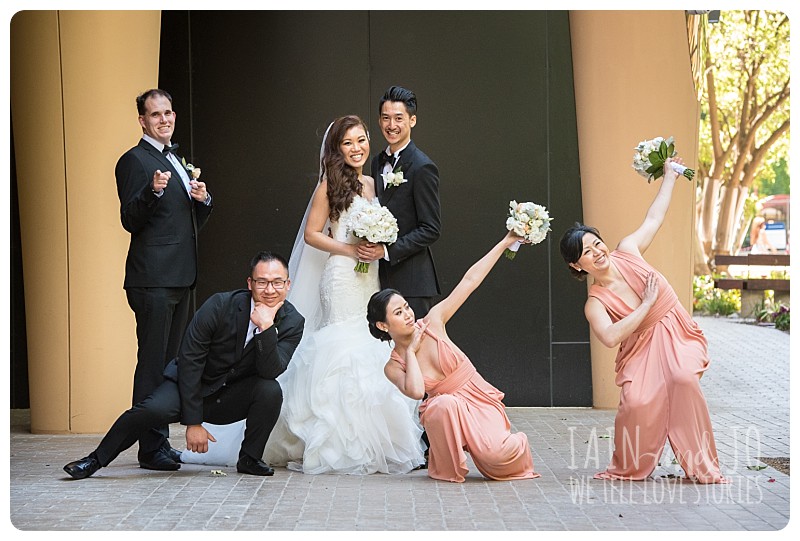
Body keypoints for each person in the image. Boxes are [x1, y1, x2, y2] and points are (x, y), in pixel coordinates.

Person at [259, 115, 426, 475]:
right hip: (341, 275)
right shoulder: (328, 185)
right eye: (348, 142)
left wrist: (378, 242)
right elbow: (312, 235)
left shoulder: (371, 183)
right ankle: (334, 440)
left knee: (371, 344)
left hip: (370, 276)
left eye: (362, 140)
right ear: (337, 148)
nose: (357, 148)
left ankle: (375, 440)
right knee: (343, 346)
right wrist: (349, 250)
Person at [62, 252, 304, 479]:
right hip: (191, 385)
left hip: (232, 396)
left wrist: (266, 329)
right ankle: (94, 461)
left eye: (277, 282)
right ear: (249, 283)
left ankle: (250, 458)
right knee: (147, 411)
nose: (270, 290)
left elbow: (270, 370)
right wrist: (194, 422)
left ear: (288, 285)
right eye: (262, 282)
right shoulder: (220, 305)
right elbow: (190, 360)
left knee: (270, 390)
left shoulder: (293, 322)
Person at [559, 158, 727, 484]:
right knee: (636, 402)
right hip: (640, 349)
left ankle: (701, 465)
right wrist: (646, 304)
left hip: (675, 331)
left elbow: (654, 218)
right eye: (587, 252)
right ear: (578, 266)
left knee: (683, 380)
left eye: (596, 243)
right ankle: (630, 465)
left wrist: (670, 176)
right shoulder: (595, 302)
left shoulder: (628, 249)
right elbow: (609, 337)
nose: (597, 252)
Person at [367, 231, 541, 483]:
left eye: (406, 306)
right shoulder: (393, 366)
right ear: (384, 326)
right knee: (441, 404)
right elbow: (416, 392)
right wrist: (412, 352)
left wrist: (504, 242)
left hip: (476, 396)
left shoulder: (433, 321)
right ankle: (449, 469)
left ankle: (513, 446)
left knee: (495, 456)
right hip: (447, 411)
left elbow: (470, 281)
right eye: (398, 312)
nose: (407, 314)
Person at [115, 88, 213, 470]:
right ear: (142, 120)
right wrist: (152, 193)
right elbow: (130, 219)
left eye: (168, 112)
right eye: (155, 115)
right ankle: (149, 449)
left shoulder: (177, 160)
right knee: (152, 365)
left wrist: (202, 201)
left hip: (180, 276)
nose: (164, 119)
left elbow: (186, 225)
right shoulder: (133, 161)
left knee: (171, 364)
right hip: (152, 279)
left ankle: (158, 442)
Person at [360, 85, 442, 320]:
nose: (391, 125)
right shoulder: (377, 161)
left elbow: (431, 228)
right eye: (386, 118)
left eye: (398, 118)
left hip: (413, 282)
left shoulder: (422, 166)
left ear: (412, 120)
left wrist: (386, 251)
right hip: (378, 278)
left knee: (412, 352)